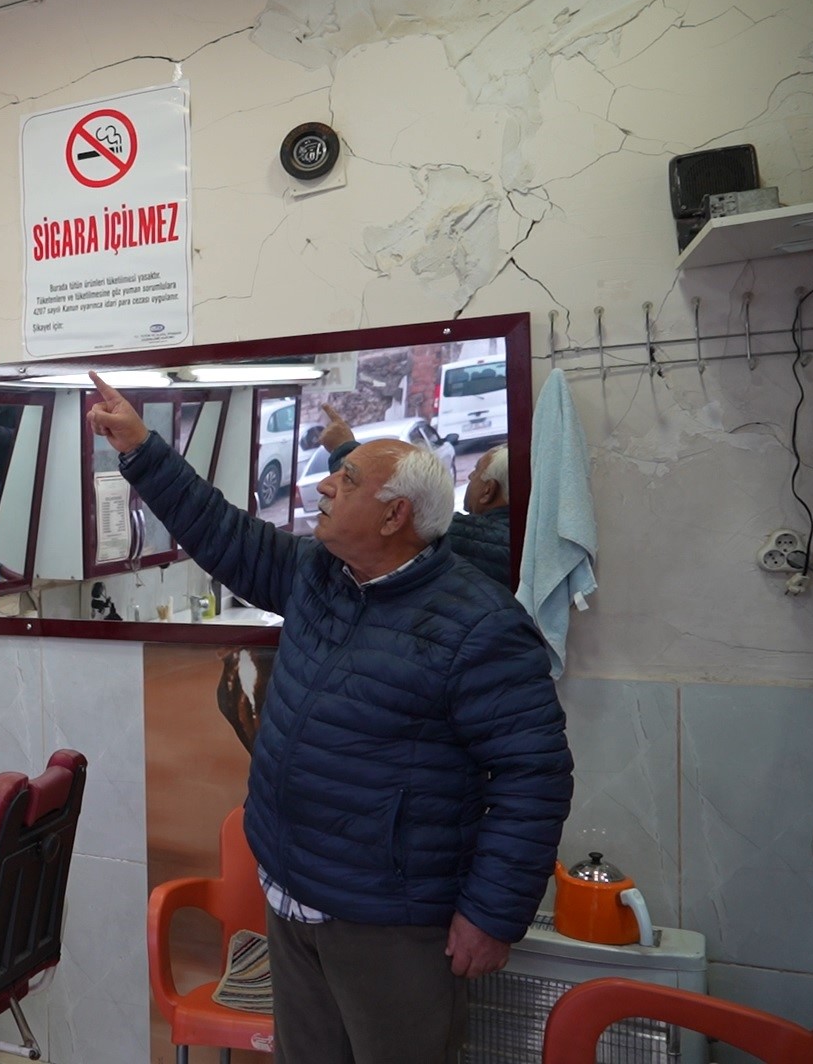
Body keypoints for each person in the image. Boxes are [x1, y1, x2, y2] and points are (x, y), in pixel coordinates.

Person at [88, 373, 570, 1064]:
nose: (322, 486)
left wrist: (492, 916)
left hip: (391, 920)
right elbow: (222, 531)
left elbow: (534, 778)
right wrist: (141, 448)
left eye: (345, 481)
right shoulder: (319, 575)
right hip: (292, 893)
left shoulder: (478, 626)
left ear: (394, 515)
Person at [318, 404, 514, 586]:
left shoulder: (460, 536)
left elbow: (410, 509)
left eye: (476, 471)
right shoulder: (519, 538)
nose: (470, 476)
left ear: (488, 491)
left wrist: (343, 449)